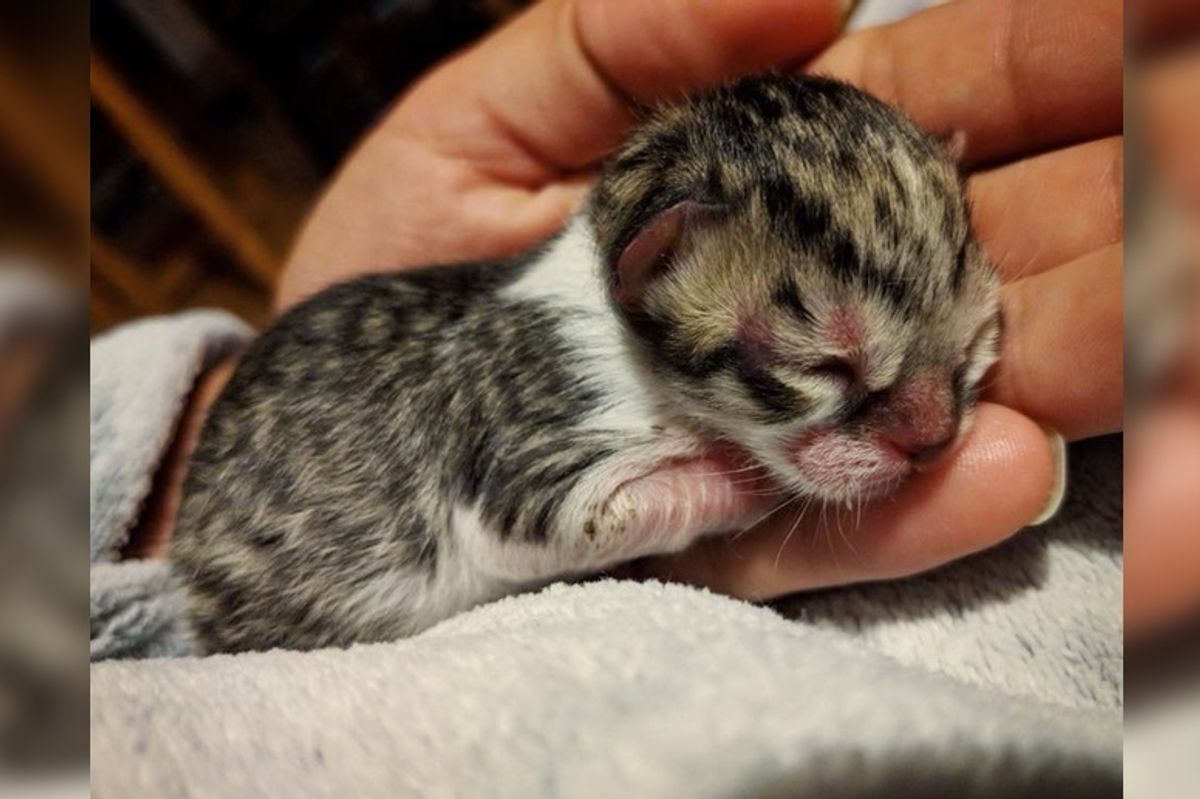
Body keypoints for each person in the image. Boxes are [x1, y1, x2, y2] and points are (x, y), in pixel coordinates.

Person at [127, 0, 1124, 610]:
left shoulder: (743, 294)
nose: (931, 428)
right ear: (650, 275)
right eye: (825, 367)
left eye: (959, 341)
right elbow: (527, 522)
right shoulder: (562, 353)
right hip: (293, 580)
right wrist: (732, 491)